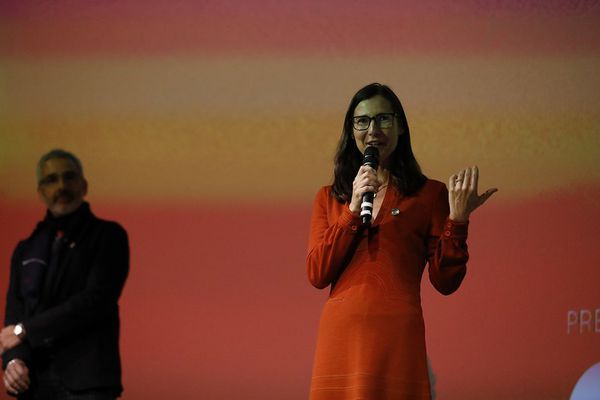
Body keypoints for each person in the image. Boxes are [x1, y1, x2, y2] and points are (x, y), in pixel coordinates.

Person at [306, 83, 497, 399]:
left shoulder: (429, 195)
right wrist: (353, 209)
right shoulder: (330, 198)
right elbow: (317, 272)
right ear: (350, 131)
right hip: (341, 339)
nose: (373, 130)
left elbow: (445, 280)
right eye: (362, 121)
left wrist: (458, 222)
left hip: (397, 337)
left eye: (383, 119)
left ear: (401, 127)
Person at [0, 149, 129, 399]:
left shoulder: (108, 236)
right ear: (40, 192)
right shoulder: (26, 249)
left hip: (86, 384)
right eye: (51, 180)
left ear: (84, 185)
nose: (61, 186)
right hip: (34, 382)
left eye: (69, 177)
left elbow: (95, 300)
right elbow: (14, 313)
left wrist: (24, 330)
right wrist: (14, 362)